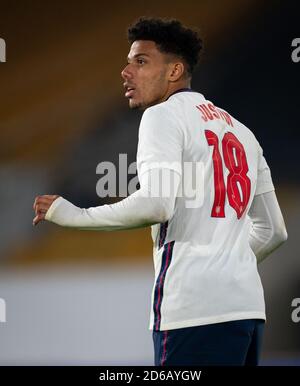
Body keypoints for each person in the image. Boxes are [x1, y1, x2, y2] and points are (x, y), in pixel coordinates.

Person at [33, 17, 288, 366]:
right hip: (246, 312)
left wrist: (73, 215)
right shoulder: (243, 133)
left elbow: (155, 205)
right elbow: (275, 231)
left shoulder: (163, 116)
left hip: (194, 312)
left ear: (174, 71)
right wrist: (230, 267)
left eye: (140, 61)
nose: (126, 71)